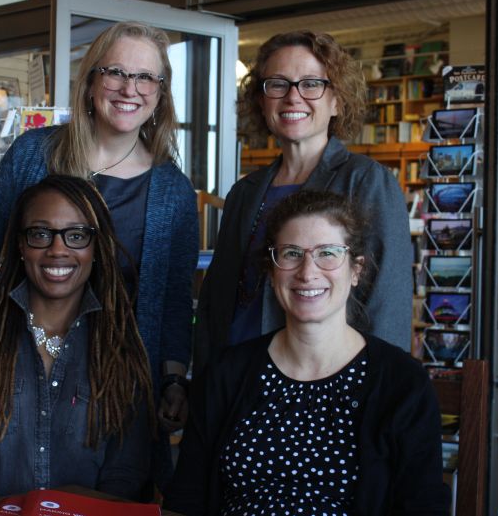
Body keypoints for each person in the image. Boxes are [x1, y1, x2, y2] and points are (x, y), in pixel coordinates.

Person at [0, 21, 198, 433]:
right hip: (22, 367)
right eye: (116, 72)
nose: (128, 88)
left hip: (117, 386)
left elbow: (173, 302)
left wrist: (172, 378)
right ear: (91, 81)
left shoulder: (173, 190)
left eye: (145, 77)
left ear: (160, 92)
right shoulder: (34, 153)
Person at [165, 189, 449, 515]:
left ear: (356, 270)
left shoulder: (403, 384)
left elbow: (423, 507)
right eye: (291, 254)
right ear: (271, 272)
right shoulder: (225, 375)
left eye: (328, 253)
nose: (308, 271)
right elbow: (186, 499)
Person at [0, 176, 154, 507]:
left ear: (96, 247)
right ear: (20, 245)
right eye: (41, 234)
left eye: (76, 236)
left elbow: (125, 477)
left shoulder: (120, 350)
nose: (58, 250)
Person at [194, 30, 412, 373]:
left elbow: (388, 303)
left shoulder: (367, 182)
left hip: (323, 386)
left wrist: (373, 394)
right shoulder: (244, 193)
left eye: (311, 84)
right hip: (234, 379)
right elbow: (215, 300)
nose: (293, 97)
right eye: (278, 84)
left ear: (337, 100)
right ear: (261, 100)